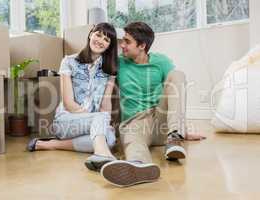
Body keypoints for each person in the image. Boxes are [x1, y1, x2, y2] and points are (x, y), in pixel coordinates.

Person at [100, 22, 205, 187]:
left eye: (127, 41)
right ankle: (139, 167)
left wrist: (181, 127)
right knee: (133, 144)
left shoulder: (161, 61)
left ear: (142, 45)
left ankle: (175, 137)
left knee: (177, 75)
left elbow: (175, 91)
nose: (122, 45)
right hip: (135, 122)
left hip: (160, 120)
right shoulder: (118, 63)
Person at [27, 23, 118, 172]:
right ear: (90, 35)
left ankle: (51, 144)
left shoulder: (109, 69)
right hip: (67, 121)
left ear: (109, 45)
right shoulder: (69, 61)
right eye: (98, 35)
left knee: (111, 139)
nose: (101, 41)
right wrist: (98, 118)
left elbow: (105, 103)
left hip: (93, 122)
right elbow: (69, 104)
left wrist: (105, 121)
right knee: (102, 127)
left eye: (107, 40)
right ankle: (105, 156)